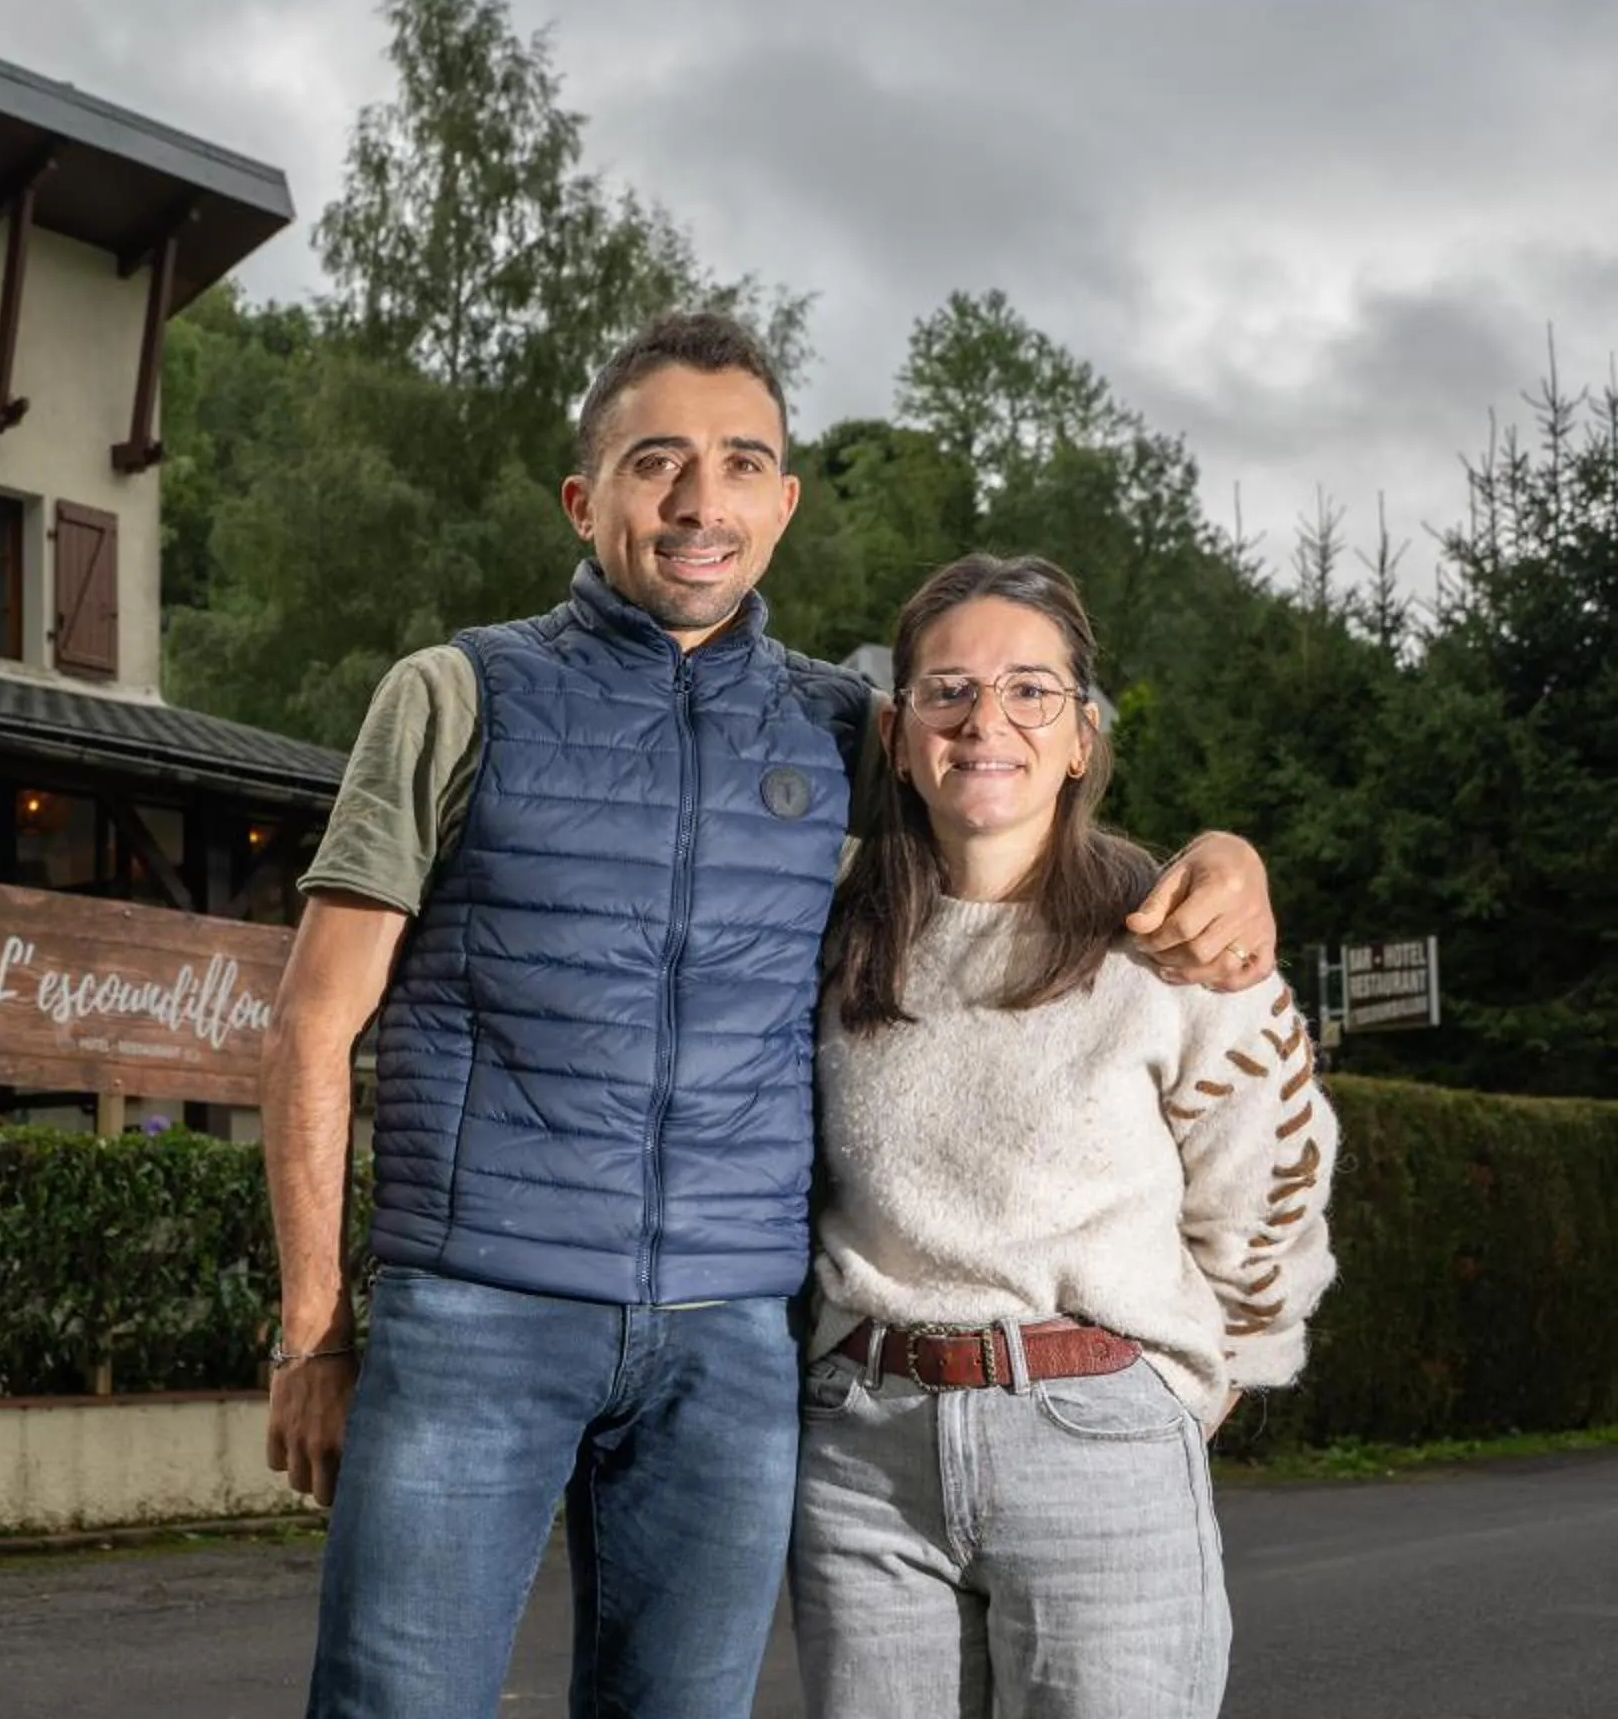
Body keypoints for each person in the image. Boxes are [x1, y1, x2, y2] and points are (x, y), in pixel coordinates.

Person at [260, 310, 1280, 1719]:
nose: (701, 502)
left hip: (733, 1337)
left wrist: (1225, 858)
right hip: (476, 1306)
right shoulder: (454, 697)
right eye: (657, 461)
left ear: (786, 503)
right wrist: (313, 1332)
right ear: (586, 495)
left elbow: (1014, 800)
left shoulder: (838, 729)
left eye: (744, 464)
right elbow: (315, 1026)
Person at [791, 552, 1338, 1719]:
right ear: (897, 732)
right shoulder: (826, 933)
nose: (987, 718)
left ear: (1082, 735)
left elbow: (1271, 1176)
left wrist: (1202, 1371)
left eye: (1032, 689)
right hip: (862, 1457)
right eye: (948, 689)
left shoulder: (1173, 940)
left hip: (1095, 1433)